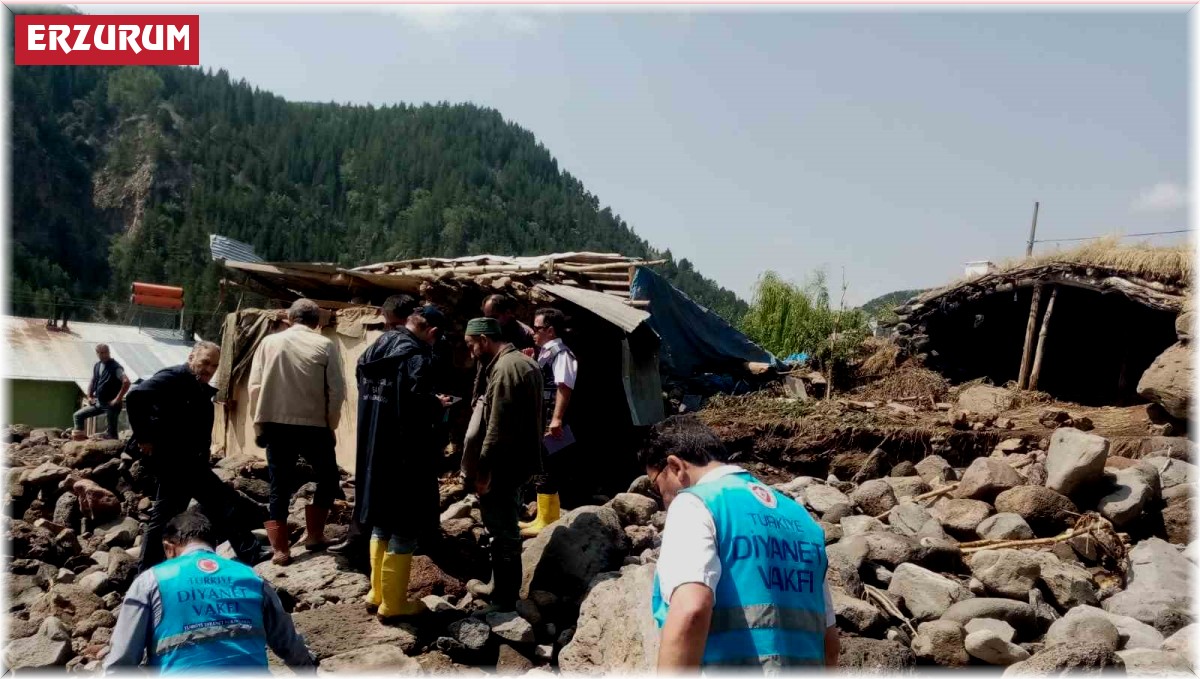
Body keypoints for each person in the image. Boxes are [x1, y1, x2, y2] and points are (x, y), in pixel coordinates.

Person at [643, 414, 839, 671]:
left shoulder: (696, 503)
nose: (664, 501)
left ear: (676, 467)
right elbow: (830, 642)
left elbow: (690, 610)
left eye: (658, 487)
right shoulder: (801, 518)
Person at [104, 507, 317, 672]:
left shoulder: (150, 581)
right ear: (213, 546)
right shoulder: (251, 577)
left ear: (169, 547)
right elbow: (288, 642)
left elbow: (122, 660)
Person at [125, 341, 270, 572]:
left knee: (179, 514)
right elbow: (135, 397)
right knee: (221, 505)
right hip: (176, 460)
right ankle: (250, 552)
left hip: (189, 461)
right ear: (192, 357)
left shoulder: (196, 384)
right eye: (204, 362)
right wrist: (144, 437)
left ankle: (147, 570)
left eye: (214, 366)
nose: (208, 369)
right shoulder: (174, 376)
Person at [355, 305, 451, 618]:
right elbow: (418, 407)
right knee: (405, 527)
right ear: (433, 333)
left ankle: (376, 591)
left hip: (372, 449)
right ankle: (393, 604)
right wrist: (439, 405)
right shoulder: (416, 358)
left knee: (381, 522)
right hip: (405, 456)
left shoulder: (374, 350)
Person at [247, 298, 347, 566]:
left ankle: (281, 550)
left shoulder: (269, 343)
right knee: (328, 478)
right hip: (313, 424)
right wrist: (331, 424)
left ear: (290, 318)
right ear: (316, 322)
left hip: (276, 423)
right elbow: (336, 391)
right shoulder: (325, 344)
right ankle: (314, 534)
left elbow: (255, 387)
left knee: (279, 485)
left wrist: (258, 424)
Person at [330, 294, 420, 569]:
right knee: (399, 514)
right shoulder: (411, 351)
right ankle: (391, 595)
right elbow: (414, 401)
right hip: (398, 437)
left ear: (383, 314)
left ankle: (365, 566)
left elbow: (361, 382)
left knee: (371, 492)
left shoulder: (373, 348)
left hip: (371, 426)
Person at [462, 317, 543, 610]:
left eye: (471, 345)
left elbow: (496, 428)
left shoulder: (506, 369)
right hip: (517, 461)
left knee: (502, 532)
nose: (471, 352)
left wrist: (483, 471)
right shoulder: (522, 362)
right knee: (504, 526)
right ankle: (500, 585)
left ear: (484, 341)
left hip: (503, 465)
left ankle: (505, 596)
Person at [519, 308, 578, 538]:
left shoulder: (561, 354)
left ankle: (544, 519)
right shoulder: (545, 353)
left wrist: (557, 419)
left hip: (552, 418)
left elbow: (564, 386)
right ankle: (548, 516)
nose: (533, 333)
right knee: (545, 464)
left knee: (546, 465)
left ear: (550, 330)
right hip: (543, 416)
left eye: (537, 328)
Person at [73, 343, 131, 440]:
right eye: (100, 353)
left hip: (111, 404)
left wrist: (117, 399)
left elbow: (127, 382)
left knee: (111, 433)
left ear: (109, 352)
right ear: (97, 353)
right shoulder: (97, 365)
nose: (103, 355)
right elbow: (93, 381)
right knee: (78, 415)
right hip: (99, 402)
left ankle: (113, 449)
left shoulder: (115, 367)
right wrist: (89, 396)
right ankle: (79, 442)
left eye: (105, 352)